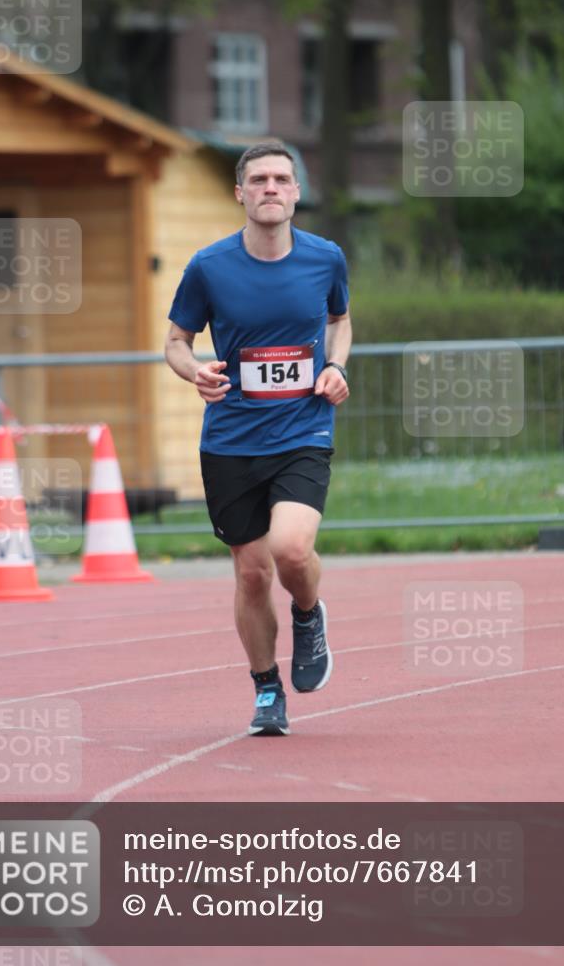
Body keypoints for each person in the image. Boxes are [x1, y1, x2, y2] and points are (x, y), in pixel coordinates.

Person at [165, 141, 351, 736]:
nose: (270, 188)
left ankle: (308, 613)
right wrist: (194, 370)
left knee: (291, 549)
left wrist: (336, 366)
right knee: (251, 573)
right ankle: (267, 687)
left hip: (303, 429)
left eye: (281, 179)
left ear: (296, 192)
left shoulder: (325, 258)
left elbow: (339, 320)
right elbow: (176, 340)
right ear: (240, 193)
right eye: (259, 180)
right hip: (231, 440)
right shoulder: (209, 267)